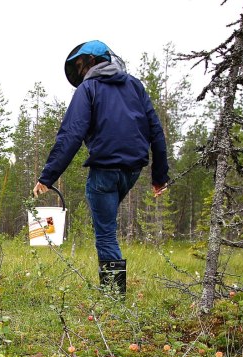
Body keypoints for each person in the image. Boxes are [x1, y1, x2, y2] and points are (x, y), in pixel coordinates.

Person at [33, 40, 169, 296]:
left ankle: (114, 298)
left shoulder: (89, 89)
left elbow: (71, 135)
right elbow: (156, 132)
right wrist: (159, 176)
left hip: (105, 171)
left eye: (82, 65)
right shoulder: (134, 86)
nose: (81, 71)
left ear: (93, 62)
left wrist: (47, 177)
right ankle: (114, 294)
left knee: (106, 235)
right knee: (107, 228)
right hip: (132, 171)